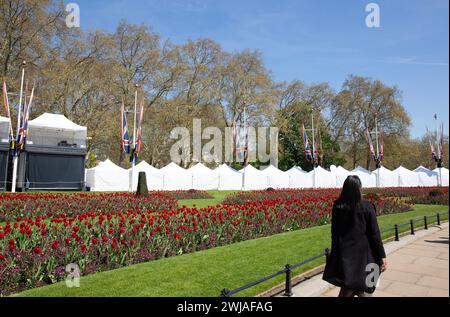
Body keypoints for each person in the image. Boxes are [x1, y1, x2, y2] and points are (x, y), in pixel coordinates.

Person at [323, 175, 387, 297]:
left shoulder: (337, 206)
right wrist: (382, 255)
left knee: (354, 287)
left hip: (345, 256)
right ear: (359, 188)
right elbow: (375, 234)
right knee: (362, 288)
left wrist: (335, 254)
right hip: (363, 255)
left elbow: (334, 233)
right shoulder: (367, 207)